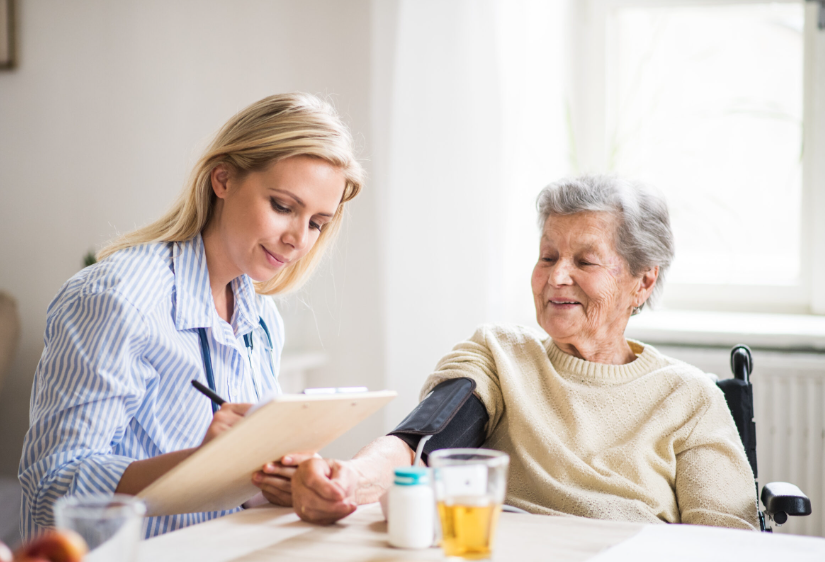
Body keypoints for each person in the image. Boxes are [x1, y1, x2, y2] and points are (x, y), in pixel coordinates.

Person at [292, 174, 759, 530]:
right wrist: (350, 480)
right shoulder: (499, 354)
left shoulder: (689, 398)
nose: (557, 277)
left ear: (644, 280)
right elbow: (420, 442)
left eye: (585, 261)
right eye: (548, 256)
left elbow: (726, 547)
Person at [19, 93, 363, 539]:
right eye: (282, 206)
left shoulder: (260, 317)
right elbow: (51, 491)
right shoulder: (117, 298)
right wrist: (199, 465)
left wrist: (290, 479)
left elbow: (242, 489)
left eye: (317, 223)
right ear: (222, 179)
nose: (298, 239)